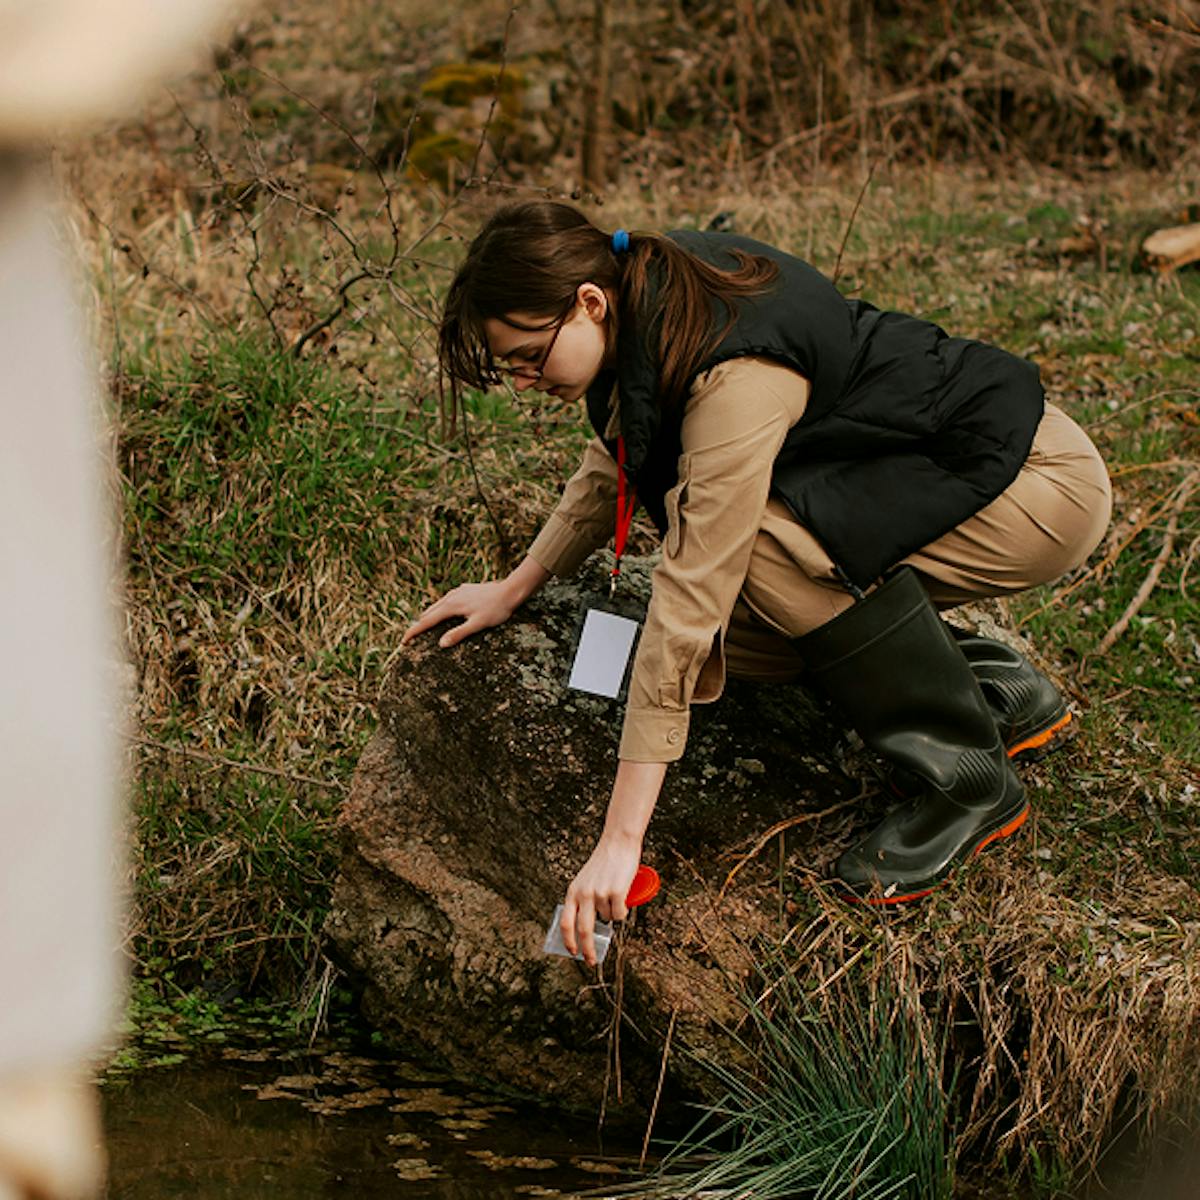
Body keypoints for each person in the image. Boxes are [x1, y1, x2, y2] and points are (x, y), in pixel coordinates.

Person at [403, 199, 1111, 965]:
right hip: (910, 463)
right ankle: (994, 688)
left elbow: (689, 595)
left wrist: (618, 843)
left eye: (527, 357)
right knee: (748, 641)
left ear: (588, 304)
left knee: (763, 553)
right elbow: (620, 454)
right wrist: (517, 585)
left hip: (1033, 481)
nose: (521, 380)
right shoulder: (642, 302)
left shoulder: (732, 372)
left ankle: (968, 778)